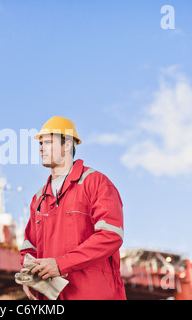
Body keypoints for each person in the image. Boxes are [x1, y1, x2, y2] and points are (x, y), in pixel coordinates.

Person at [20, 116, 126, 300]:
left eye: (48, 142)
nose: (41, 148)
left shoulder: (96, 183)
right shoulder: (38, 198)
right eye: (40, 144)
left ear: (67, 145)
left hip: (93, 294)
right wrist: (28, 275)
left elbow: (111, 235)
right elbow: (29, 247)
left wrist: (60, 265)